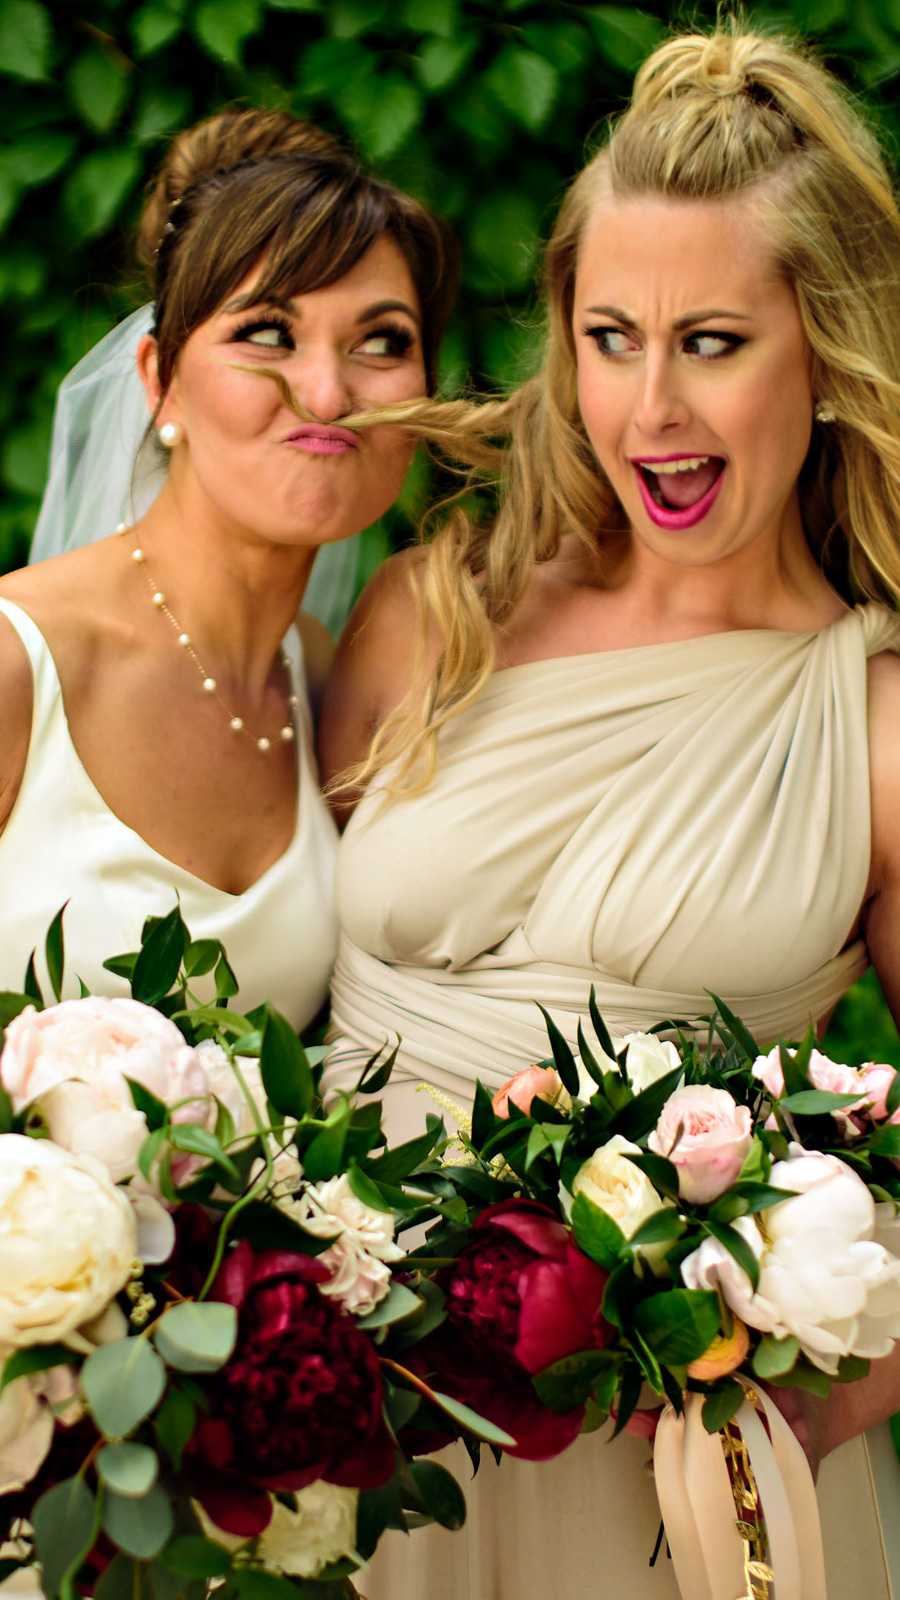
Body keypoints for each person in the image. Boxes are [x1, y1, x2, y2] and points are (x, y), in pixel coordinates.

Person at [320, 22, 900, 1599]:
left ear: (827, 351)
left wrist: (820, 1386)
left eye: (713, 340)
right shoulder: (436, 613)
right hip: (345, 1442)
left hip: (658, 1490)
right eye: (609, 336)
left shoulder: (877, 725)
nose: (651, 407)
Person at [0, 106, 457, 1028]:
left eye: (383, 341)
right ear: (158, 378)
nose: (328, 394)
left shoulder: (327, 679)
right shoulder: (18, 662)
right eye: (268, 334)